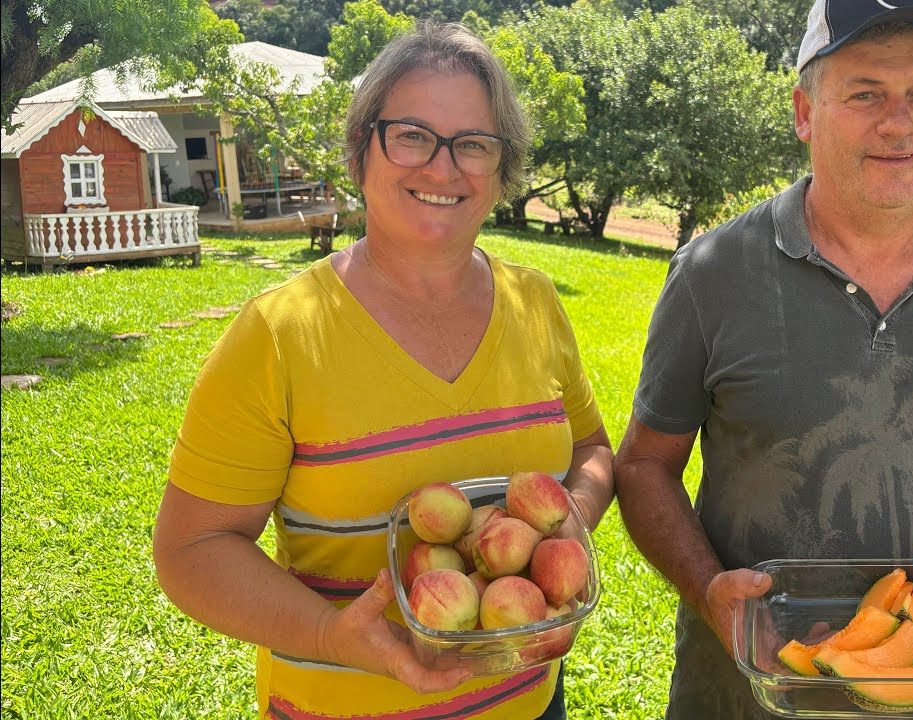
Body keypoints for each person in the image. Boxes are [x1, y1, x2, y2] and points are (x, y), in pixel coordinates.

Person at [613, 0, 913, 716]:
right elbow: (646, 465)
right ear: (805, 111)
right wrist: (710, 589)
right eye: (866, 93)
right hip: (740, 698)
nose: (899, 122)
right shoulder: (713, 273)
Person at [152, 23, 613, 720]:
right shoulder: (279, 335)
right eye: (411, 134)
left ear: (500, 168)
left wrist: (560, 531)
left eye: (475, 145)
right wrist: (328, 635)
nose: (442, 167)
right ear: (362, 147)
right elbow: (191, 550)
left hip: (529, 703)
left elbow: (591, 450)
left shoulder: (536, 303)